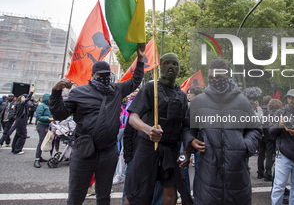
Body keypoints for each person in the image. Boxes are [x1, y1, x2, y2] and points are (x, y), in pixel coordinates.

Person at [49, 44, 145, 205]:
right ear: (93, 75)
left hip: (108, 152)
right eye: (101, 75)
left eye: (107, 75)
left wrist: (140, 59)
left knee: (103, 196)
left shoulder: (116, 90)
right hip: (84, 151)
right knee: (76, 196)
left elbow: (135, 80)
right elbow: (59, 114)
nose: (104, 78)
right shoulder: (79, 93)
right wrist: (56, 91)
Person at [184, 59, 262, 205]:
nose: (214, 81)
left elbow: (255, 129)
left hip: (237, 175)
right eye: (211, 78)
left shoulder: (242, 101)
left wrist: (244, 146)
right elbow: (188, 128)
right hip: (208, 175)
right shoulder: (198, 102)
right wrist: (191, 140)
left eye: (218, 78)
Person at [123, 53, 192, 205]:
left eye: (175, 64)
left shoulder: (182, 96)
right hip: (148, 148)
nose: (171, 67)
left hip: (171, 150)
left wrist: (186, 153)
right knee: (135, 195)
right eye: (167, 63)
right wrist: (148, 130)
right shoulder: (150, 88)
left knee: (171, 195)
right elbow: (133, 118)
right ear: (161, 66)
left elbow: (185, 127)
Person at [257, 95, 276, 181]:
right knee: (269, 154)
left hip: (260, 134)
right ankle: (268, 173)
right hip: (268, 134)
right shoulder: (269, 111)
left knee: (261, 154)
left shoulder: (259, 110)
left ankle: (260, 172)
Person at [11, 88, 35, 154]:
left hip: (19, 120)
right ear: (21, 99)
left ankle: (14, 148)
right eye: (23, 97)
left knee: (17, 135)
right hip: (21, 120)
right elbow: (27, 100)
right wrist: (31, 92)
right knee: (23, 135)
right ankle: (18, 149)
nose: (25, 98)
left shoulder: (20, 104)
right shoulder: (20, 104)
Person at [34, 93, 53, 168]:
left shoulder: (49, 106)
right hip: (42, 125)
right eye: (49, 99)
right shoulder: (41, 106)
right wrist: (48, 118)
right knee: (41, 142)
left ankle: (40, 157)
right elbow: (38, 117)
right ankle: (37, 159)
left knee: (47, 141)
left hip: (49, 125)